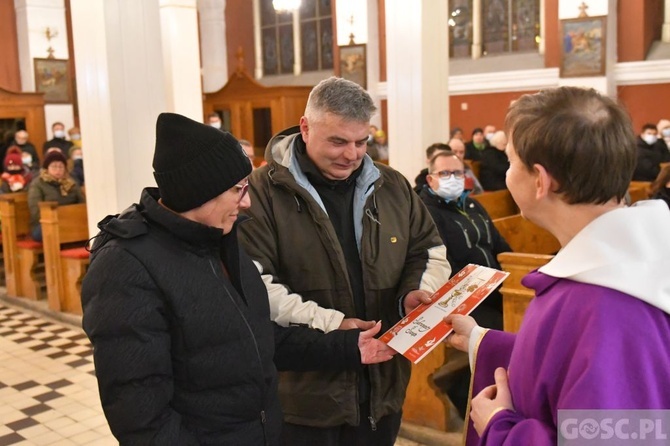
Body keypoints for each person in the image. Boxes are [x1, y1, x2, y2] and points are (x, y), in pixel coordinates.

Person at [81, 112, 396, 445]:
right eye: (237, 190)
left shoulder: (221, 240)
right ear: (198, 191)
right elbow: (140, 413)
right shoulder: (127, 267)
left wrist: (346, 347)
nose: (246, 202)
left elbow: (255, 338)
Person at [446, 86, 670, 446]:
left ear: (540, 180)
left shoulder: (608, 306)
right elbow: (575, 367)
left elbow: (618, 438)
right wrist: (481, 341)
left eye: (511, 161)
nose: (507, 173)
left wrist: (501, 427)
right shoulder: (621, 268)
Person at [238, 77, 451, 446]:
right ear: (305, 128)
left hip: (383, 388)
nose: (352, 155)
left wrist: (416, 292)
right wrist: (335, 324)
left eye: (361, 141)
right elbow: (255, 285)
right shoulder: (260, 192)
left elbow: (428, 249)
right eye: (337, 141)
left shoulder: (392, 185)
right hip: (305, 399)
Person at [419, 150, 511, 419]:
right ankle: (464, 390)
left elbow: (499, 245)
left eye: (457, 173)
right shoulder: (426, 211)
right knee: (501, 328)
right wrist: (485, 286)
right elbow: (443, 265)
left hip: (493, 287)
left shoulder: (473, 205)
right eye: (444, 173)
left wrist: (513, 274)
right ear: (431, 179)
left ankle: (505, 393)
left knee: (525, 316)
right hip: (459, 298)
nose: (452, 178)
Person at [27, 149, 85, 241]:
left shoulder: (71, 183)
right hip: (44, 224)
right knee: (54, 231)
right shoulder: (38, 184)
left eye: (60, 167)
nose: (58, 170)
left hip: (71, 221)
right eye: (54, 167)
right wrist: (59, 220)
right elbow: (35, 210)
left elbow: (82, 203)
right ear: (47, 168)